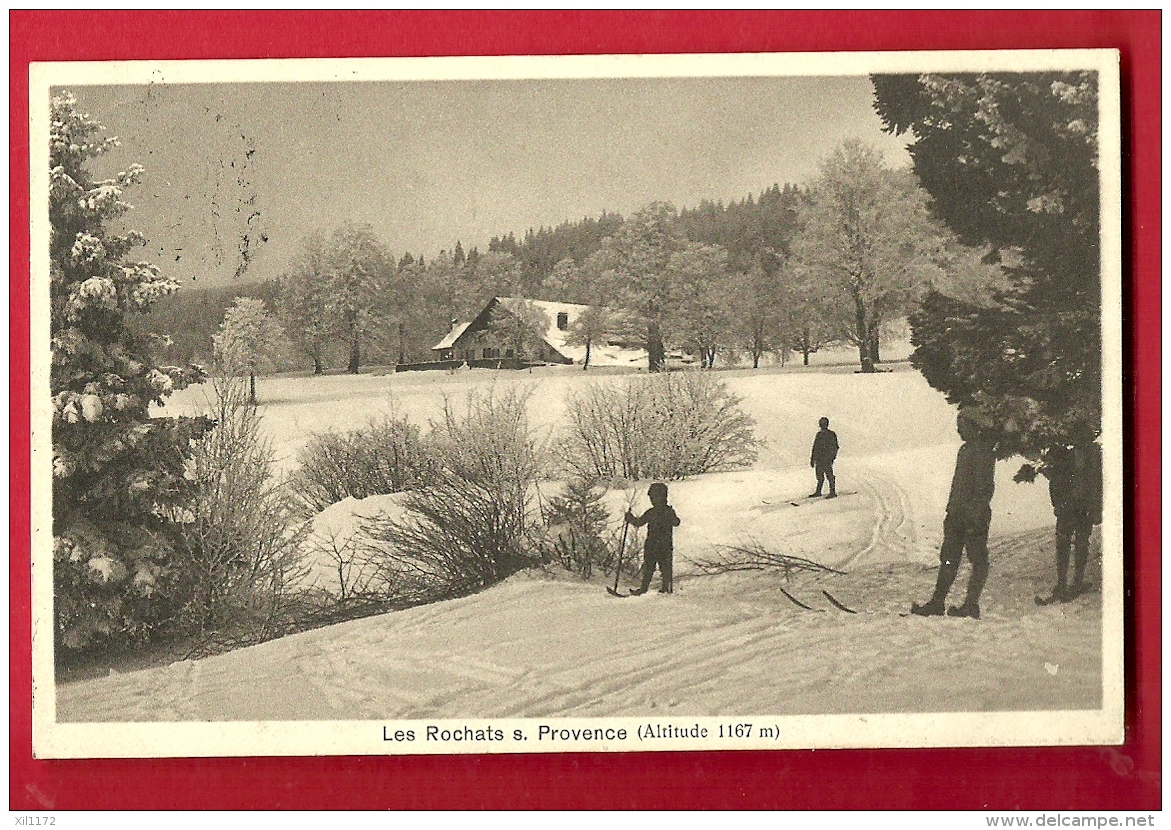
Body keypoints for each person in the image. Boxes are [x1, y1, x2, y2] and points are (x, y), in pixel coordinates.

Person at [911, 410, 997, 619]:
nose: (959, 430)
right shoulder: (965, 450)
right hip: (956, 514)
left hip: (972, 517)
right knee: (949, 559)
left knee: (978, 559)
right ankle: (937, 602)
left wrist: (973, 517)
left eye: (963, 425)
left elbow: (984, 490)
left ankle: (971, 604)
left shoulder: (983, 452)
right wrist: (951, 511)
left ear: (975, 427)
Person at [1036, 442, 1103, 605]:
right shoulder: (1076, 457)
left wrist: (1096, 508)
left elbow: (1095, 483)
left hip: (1076, 507)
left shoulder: (1084, 457)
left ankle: (1068, 583)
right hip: (1074, 507)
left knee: (1070, 544)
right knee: (1074, 543)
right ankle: (1070, 583)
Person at [625, 482, 681, 595]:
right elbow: (639, 522)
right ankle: (646, 589)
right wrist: (630, 518)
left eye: (654, 497)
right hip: (653, 544)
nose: (652, 500)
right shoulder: (653, 512)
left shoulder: (665, 511)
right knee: (650, 567)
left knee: (663, 568)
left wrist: (630, 518)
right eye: (651, 498)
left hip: (663, 545)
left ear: (662, 497)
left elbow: (676, 522)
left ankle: (665, 588)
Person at [809, 417, 839, 498]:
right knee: (819, 476)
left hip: (827, 459)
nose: (822, 426)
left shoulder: (831, 434)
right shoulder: (819, 435)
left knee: (829, 475)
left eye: (823, 424)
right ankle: (818, 491)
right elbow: (815, 447)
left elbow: (835, 447)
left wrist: (832, 457)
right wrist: (812, 459)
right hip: (819, 459)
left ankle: (832, 492)